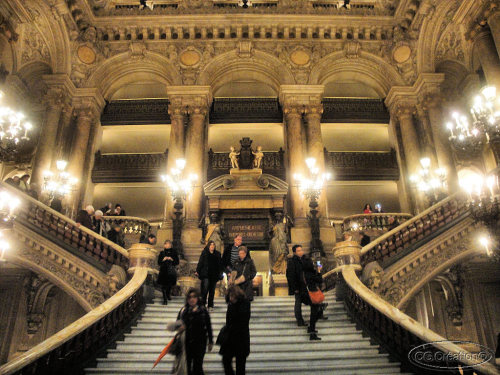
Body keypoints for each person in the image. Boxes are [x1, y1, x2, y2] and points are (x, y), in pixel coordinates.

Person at [286, 244, 322, 340]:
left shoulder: (305, 260)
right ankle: (303, 322)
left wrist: (318, 269)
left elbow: (315, 271)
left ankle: (311, 327)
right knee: (300, 303)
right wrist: (294, 288)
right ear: (294, 252)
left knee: (315, 306)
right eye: (298, 251)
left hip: (308, 287)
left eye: (301, 250)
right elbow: (290, 276)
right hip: (300, 287)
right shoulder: (292, 262)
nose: (301, 252)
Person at [177, 288, 213, 375]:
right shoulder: (183, 311)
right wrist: (180, 328)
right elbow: (177, 324)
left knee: (198, 366)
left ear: (197, 298)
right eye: (189, 297)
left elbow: (208, 326)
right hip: (187, 342)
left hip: (200, 342)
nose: (192, 299)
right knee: (188, 366)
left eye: (194, 297)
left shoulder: (203, 310)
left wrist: (211, 341)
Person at [220, 285, 251, 375]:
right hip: (230, 339)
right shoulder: (231, 305)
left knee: (240, 366)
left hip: (241, 339)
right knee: (226, 360)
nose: (231, 298)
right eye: (229, 296)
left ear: (237, 295)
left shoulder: (245, 303)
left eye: (232, 296)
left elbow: (243, 321)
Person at [195, 241, 223, 310]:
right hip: (206, 274)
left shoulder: (217, 254)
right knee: (205, 290)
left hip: (214, 274)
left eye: (213, 245)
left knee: (212, 291)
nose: (212, 246)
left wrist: (220, 273)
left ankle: (210, 305)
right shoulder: (204, 253)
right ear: (208, 246)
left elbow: (220, 265)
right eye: (211, 245)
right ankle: (203, 304)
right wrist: (197, 271)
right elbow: (200, 262)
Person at [158, 240, 180, 304]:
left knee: (169, 285)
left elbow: (177, 262)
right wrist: (163, 259)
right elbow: (159, 262)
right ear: (164, 245)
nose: (167, 245)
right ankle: (165, 300)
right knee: (163, 286)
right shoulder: (162, 253)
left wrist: (171, 259)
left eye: (168, 244)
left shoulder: (174, 253)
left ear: (170, 245)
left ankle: (168, 295)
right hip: (163, 271)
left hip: (171, 271)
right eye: (166, 244)